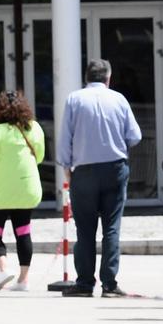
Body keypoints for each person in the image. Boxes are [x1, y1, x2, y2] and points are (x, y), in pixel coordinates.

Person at [60, 58, 142, 298]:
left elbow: (65, 137)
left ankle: (85, 283)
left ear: (86, 77)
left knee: (84, 229)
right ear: (108, 78)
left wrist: (66, 166)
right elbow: (134, 135)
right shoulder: (119, 99)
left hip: (83, 171)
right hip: (115, 168)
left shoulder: (74, 99)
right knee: (111, 227)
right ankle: (109, 284)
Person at [0, 90, 46, 292]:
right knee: (23, 231)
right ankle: (23, 280)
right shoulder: (34, 128)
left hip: (0, 193)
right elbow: (39, 157)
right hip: (26, 190)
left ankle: (4, 268)